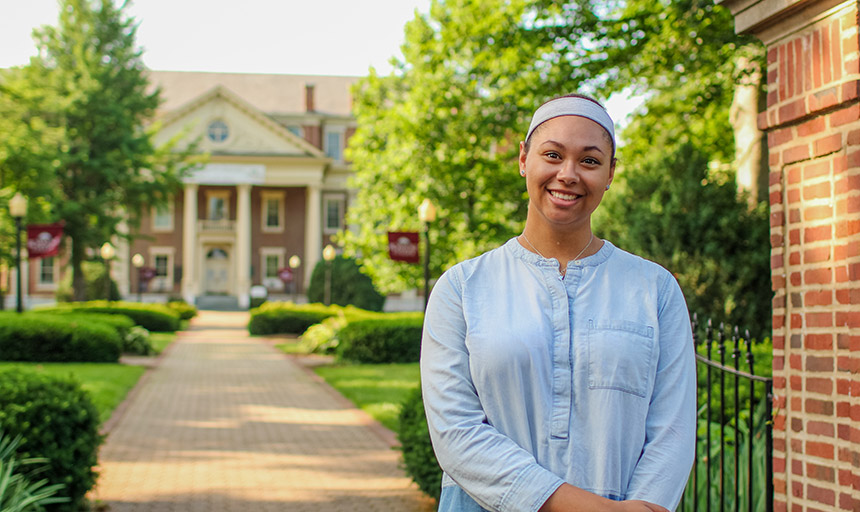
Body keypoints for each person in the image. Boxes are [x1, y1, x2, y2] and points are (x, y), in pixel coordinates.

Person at [420, 94, 697, 512]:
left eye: (589, 161)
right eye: (552, 155)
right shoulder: (461, 289)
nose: (568, 174)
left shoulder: (654, 290)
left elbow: (672, 430)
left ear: (610, 174)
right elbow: (456, 434)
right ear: (523, 160)